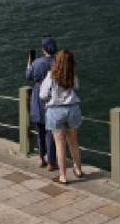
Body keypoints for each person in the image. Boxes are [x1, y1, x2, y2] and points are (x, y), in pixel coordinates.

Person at [40, 50, 83, 184]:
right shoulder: (72, 75)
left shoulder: (51, 75)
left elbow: (42, 95)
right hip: (72, 109)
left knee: (60, 145)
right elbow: (76, 87)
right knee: (74, 142)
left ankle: (63, 176)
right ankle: (78, 169)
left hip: (55, 111)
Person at [26, 38, 58, 170]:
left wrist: (29, 65)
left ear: (44, 49)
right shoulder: (58, 62)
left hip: (38, 94)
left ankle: (42, 158)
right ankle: (51, 161)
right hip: (53, 95)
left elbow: (28, 76)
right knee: (51, 130)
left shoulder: (37, 62)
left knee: (40, 128)